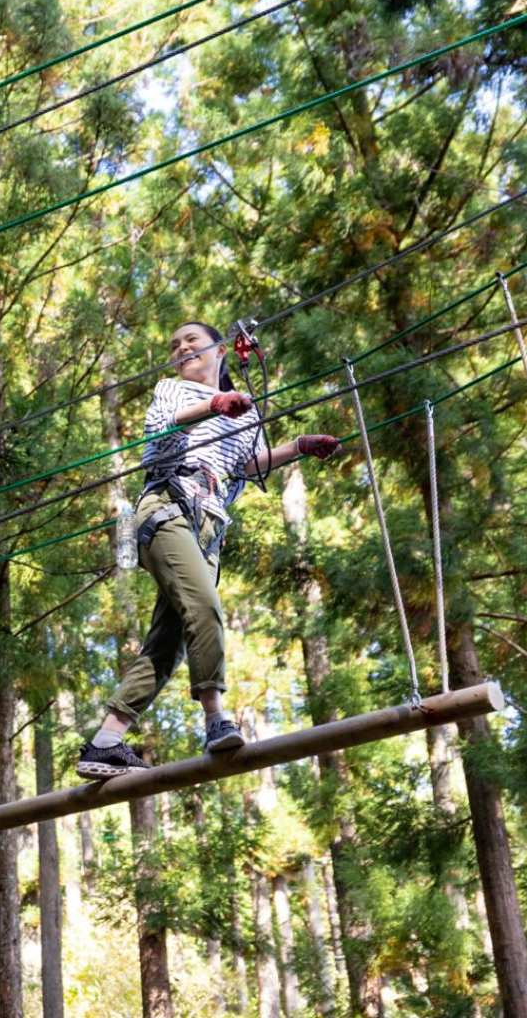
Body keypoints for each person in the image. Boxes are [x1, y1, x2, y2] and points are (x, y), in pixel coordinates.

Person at [76, 321, 340, 779]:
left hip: (207, 527)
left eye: (191, 341)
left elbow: (248, 465)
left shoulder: (246, 412)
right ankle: (216, 719)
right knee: (204, 606)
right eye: (174, 344)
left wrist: (298, 446)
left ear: (220, 350)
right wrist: (213, 405)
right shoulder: (172, 391)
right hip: (169, 507)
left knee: (168, 643)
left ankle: (104, 743)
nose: (181, 349)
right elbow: (166, 429)